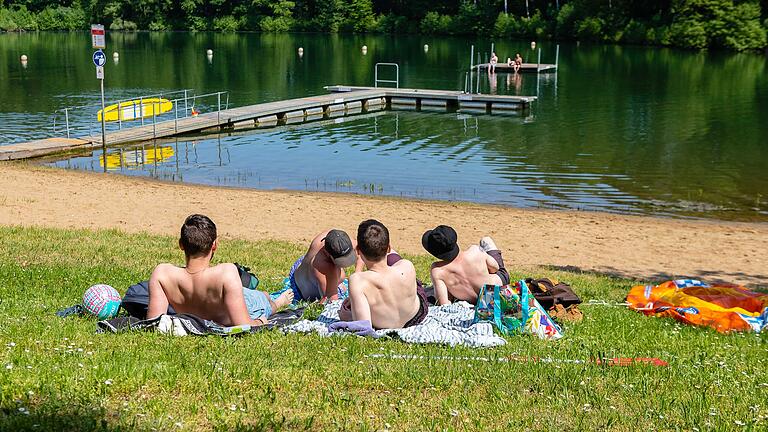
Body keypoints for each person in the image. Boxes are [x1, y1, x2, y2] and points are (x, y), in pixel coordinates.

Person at [147, 214, 293, 326]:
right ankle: (279, 302)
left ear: (181, 245)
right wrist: (261, 321)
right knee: (263, 301)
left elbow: (154, 322)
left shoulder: (162, 274)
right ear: (214, 245)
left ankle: (266, 295)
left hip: (228, 298)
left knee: (256, 294)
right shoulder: (226, 273)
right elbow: (245, 325)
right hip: (240, 307)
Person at [338, 219, 428, 329]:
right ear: (389, 248)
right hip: (415, 316)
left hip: (383, 325)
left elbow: (362, 325)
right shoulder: (407, 265)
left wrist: (348, 317)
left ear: (357, 251)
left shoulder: (357, 281)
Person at [422, 225, 510, 305]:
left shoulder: (438, 271)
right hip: (496, 289)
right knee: (486, 240)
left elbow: (443, 303)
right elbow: (495, 268)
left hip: (477, 303)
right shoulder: (474, 251)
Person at [288, 229, 357, 302]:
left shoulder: (336, 239)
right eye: (341, 261)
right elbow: (330, 303)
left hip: (299, 268)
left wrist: (357, 272)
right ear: (328, 253)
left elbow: (360, 249)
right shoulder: (324, 268)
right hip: (302, 291)